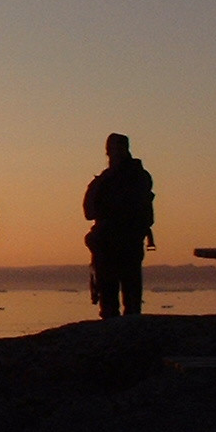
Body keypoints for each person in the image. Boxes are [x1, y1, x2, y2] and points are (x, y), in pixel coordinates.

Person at [83, 133, 155, 318]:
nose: (111, 153)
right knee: (110, 298)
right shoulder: (105, 180)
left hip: (125, 242)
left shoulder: (135, 177)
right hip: (108, 243)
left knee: (129, 298)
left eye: (114, 148)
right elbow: (89, 211)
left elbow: (140, 210)